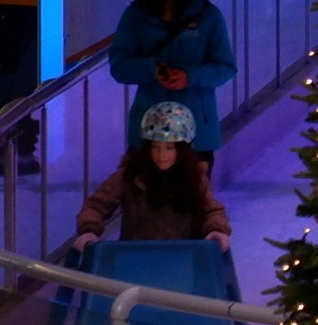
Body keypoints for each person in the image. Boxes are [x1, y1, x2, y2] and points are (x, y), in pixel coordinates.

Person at [104, 0, 234, 143]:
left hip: (197, 135)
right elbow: (119, 65)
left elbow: (225, 68)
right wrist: (152, 68)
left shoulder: (208, 16)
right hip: (148, 135)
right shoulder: (136, 15)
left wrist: (189, 77)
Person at [71, 103, 229, 250]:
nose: (161, 155)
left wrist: (216, 229)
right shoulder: (129, 176)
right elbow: (96, 205)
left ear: (182, 150)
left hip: (182, 259)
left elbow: (212, 210)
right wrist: (89, 230)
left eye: (169, 148)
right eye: (155, 147)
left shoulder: (195, 179)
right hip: (134, 258)